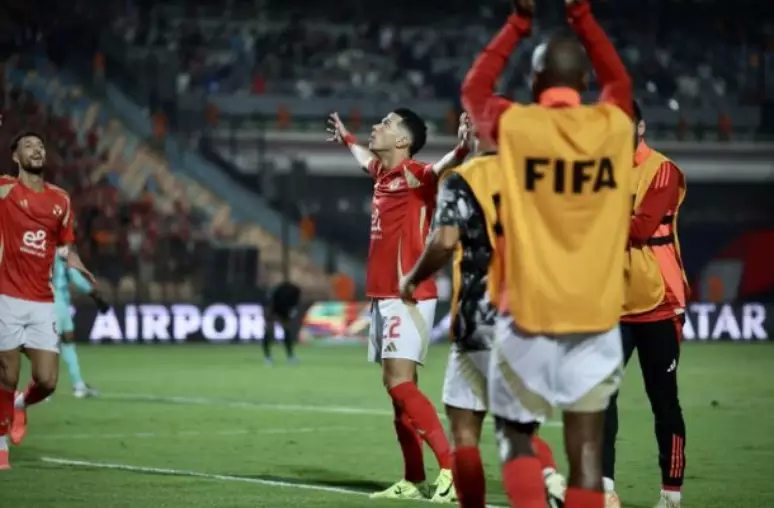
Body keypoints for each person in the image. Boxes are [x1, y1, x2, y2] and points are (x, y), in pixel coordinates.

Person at [461, 0, 634, 507]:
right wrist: (582, 15)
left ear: (536, 83)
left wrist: (517, 24)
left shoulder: (517, 127)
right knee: (585, 453)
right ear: (582, 80)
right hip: (597, 318)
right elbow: (619, 82)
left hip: (529, 313)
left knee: (515, 435)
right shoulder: (614, 127)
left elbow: (474, 91)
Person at [399, 129, 567, 508]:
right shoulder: (542, 179)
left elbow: (443, 242)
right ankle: (547, 477)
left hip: (480, 317)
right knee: (519, 430)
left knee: (464, 434)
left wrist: (412, 278)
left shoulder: (464, 179)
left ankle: (532, 483)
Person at [326, 110, 469, 502]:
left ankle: (452, 470)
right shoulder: (383, 175)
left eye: (386, 124)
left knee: (400, 383)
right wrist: (347, 139)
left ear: (403, 141)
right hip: (382, 296)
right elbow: (363, 159)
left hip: (408, 295)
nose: (377, 127)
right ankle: (413, 478)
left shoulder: (415, 174)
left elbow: (447, 163)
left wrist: (463, 146)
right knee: (396, 391)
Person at [602, 100, 689, 508]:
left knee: (663, 399)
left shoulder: (662, 169)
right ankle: (604, 489)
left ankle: (671, 493)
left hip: (659, 299)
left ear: (640, 126)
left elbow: (640, 226)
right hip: (612, 302)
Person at [0, 132, 96, 469]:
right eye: (28, 146)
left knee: (48, 381)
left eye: (41, 146)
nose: (37, 150)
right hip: (7, 296)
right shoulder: (5, 190)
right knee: (6, 375)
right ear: (15, 156)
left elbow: (65, 247)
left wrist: (80, 266)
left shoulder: (61, 200)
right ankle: (0, 448)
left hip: (43, 300)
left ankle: (22, 404)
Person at [53, 253, 110, 399]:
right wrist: (97, 297)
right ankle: (75, 386)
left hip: (45, 303)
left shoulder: (38, 255)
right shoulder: (61, 258)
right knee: (64, 344)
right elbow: (78, 280)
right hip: (58, 305)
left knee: (53, 346)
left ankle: (76, 384)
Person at [263, 280, 301, 365]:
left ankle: (287, 356)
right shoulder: (279, 291)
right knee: (271, 333)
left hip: (281, 311)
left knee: (282, 332)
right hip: (274, 310)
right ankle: (269, 356)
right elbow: (270, 302)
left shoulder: (293, 291)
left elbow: (293, 304)